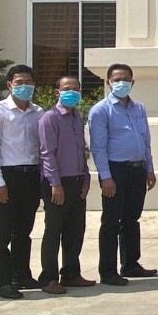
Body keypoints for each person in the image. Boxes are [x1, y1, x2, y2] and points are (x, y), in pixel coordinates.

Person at [89, 63, 158, 286]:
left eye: (125, 79)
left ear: (133, 82)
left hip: (137, 170)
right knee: (111, 221)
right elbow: (98, 147)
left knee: (132, 219)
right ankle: (107, 271)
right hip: (115, 171)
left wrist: (150, 168)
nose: (121, 83)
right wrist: (105, 177)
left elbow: (145, 140)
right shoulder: (101, 110)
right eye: (116, 79)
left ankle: (130, 264)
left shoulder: (139, 108)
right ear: (108, 82)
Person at [0, 63, 44, 299]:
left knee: (24, 230)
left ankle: (22, 274)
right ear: (9, 85)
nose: (24, 86)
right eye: (19, 83)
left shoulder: (38, 112)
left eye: (28, 82)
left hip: (32, 175)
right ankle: (4, 281)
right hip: (9, 175)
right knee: (3, 232)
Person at [37, 75, 93, 294]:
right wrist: (55, 183)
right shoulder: (49, 118)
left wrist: (86, 177)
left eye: (76, 88)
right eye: (67, 88)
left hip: (77, 180)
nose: (72, 92)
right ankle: (48, 278)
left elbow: (82, 150)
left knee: (75, 229)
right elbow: (47, 153)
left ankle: (71, 273)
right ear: (57, 92)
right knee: (54, 230)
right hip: (57, 183)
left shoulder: (77, 118)